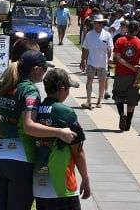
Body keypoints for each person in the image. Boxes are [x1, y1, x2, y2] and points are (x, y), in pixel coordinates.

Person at [0, 50, 77, 210]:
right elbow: (29, 127)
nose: (45, 72)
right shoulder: (29, 90)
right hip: (21, 161)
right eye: (44, 68)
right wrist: (59, 132)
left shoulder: (5, 86)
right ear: (36, 69)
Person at [34, 68, 90, 209]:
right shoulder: (66, 113)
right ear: (62, 89)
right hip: (63, 187)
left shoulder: (36, 110)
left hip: (40, 184)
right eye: (68, 89)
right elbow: (78, 151)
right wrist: (85, 178)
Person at [113, 20, 140, 131]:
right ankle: (128, 122)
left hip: (120, 75)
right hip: (133, 77)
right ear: (137, 30)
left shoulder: (119, 40)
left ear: (127, 28)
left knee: (118, 97)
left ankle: (121, 114)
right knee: (132, 100)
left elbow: (118, 58)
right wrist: (137, 76)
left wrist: (129, 67)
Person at [80, 14, 113, 109]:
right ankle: (89, 100)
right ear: (94, 24)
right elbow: (85, 49)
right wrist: (83, 60)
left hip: (103, 63)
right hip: (91, 62)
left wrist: (110, 57)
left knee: (102, 81)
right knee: (89, 80)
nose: (100, 24)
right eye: (98, 23)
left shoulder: (107, 35)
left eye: (101, 23)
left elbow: (110, 48)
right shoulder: (89, 35)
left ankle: (99, 100)